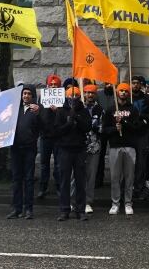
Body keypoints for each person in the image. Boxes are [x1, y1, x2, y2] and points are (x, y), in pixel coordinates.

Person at [102, 83, 142, 216]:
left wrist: (124, 122)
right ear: (117, 93)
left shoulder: (133, 109)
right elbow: (105, 130)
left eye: (126, 91)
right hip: (115, 147)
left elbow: (137, 128)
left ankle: (128, 203)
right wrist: (115, 129)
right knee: (115, 177)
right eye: (121, 91)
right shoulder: (110, 109)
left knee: (129, 177)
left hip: (130, 146)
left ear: (128, 93)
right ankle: (115, 203)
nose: (123, 92)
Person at [55, 86, 92, 221]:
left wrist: (77, 117)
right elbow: (57, 130)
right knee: (64, 181)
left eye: (76, 96)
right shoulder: (61, 111)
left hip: (79, 150)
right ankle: (64, 210)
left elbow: (88, 127)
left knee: (80, 181)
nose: (73, 98)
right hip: (65, 149)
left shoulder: (83, 111)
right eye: (71, 96)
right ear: (67, 97)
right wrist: (68, 124)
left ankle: (80, 210)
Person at [8, 84, 42, 219]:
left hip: (29, 149)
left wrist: (39, 114)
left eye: (28, 94)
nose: (26, 96)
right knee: (16, 179)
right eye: (24, 93)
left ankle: (29, 209)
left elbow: (42, 127)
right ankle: (17, 208)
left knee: (28, 179)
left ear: (32, 96)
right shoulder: (15, 109)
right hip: (16, 148)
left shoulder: (37, 110)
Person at [130, 75, 149, 199]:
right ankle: (128, 189)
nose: (135, 85)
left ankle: (139, 189)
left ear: (141, 85)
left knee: (141, 162)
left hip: (142, 134)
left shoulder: (146, 98)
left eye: (137, 83)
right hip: (129, 134)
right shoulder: (127, 97)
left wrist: (143, 121)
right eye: (133, 83)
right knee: (129, 163)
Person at [38, 74, 62, 198]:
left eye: (55, 85)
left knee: (58, 164)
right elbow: (40, 116)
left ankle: (58, 187)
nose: (53, 86)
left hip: (58, 137)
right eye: (51, 84)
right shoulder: (41, 99)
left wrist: (58, 111)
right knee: (44, 164)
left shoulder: (62, 101)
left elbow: (65, 118)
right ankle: (43, 187)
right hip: (45, 136)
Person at [82, 83, 104, 214]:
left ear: (95, 95)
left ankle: (88, 201)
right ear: (84, 93)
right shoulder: (78, 108)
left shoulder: (100, 110)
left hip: (94, 147)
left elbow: (102, 127)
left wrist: (93, 126)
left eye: (92, 93)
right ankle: (75, 200)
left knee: (91, 175)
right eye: (87, 92)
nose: (90, 95)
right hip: (79, 146)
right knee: (77, 175)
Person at [95, 82, 115, 187]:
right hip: (101, 129)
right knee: (100, 155)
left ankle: (115, 181)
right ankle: (99, 179)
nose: (109, 85)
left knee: (114, 156)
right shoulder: (98, 94)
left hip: (113, 129)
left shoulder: (117, 94)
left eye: (111, 84)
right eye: (107, 84)